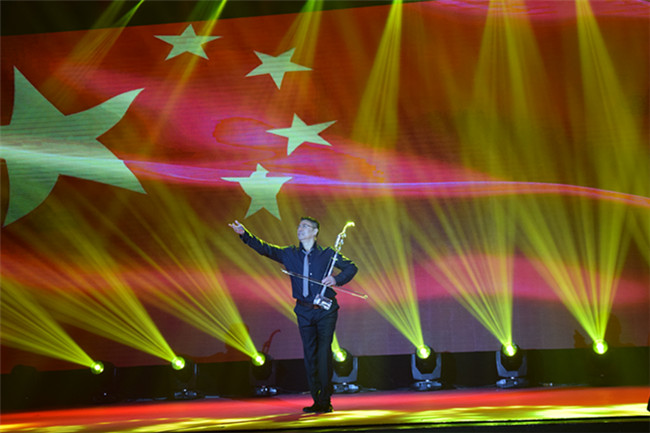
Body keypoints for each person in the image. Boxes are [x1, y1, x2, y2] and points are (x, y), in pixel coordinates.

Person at [229, 217, 358, 413]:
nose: (300, 229)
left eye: (305, 226)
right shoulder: (289, 253)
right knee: (310, 356)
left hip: (325, 311)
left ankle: (325, 400)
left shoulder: (328, 254)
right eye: (299, 226)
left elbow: (351, 267)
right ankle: (317, 399)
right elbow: (266, 249)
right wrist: (244, 234)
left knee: (323, 354)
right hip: (304, 311)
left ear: (315, 232)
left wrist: (336, 279)